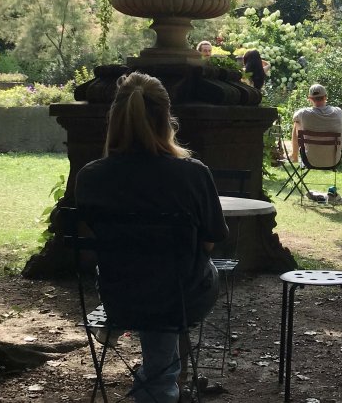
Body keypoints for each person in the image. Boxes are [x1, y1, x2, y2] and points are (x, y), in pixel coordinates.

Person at [76, 72, 228, 403]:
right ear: (166, 119)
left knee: (148, 278)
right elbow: (209, 242)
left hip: (120, 295)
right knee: (191, 275)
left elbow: (95, 237)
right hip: (180, 296)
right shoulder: (193, 174)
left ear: (115, 118)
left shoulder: (90, 177)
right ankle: (159, 384)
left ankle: (154, 377)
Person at [291, 83, 342, 205]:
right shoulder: (338, 112)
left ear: (309, 99)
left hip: (310, 160)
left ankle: (294, 155)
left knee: (297, 123)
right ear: (325, 97)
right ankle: (332, 195)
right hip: (334, 160)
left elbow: (295, 118)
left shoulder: (303, 113)